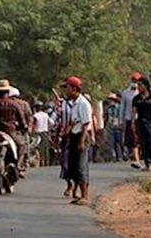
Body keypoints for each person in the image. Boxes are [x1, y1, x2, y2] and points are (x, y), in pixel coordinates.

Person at [64, 76, 91, 205]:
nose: (66, 91)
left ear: (74, 89)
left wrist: (82, 141)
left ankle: (85, 195)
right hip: (75, 135)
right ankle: (78, 192)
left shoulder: (83, 103)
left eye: (68, 88)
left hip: (82, 136)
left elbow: (86, 124)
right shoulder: (74, 104)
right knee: (73, 166)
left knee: (81, 166)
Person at [132, 78, 151, 171]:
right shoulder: (136, 99)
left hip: (150, 122)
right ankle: (147, 164)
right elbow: (133, 112)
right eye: (138, 85)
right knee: (144, 143)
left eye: (140, 85)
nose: (138, 87)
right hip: (140, 122)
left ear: (145, 86)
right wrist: (133, 124)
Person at [119, 72, 142, 168]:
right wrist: (121, 121)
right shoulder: (125, 93)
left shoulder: (142, 93)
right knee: (133, 140)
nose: (135, 82)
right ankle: (137, 160)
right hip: (129, 119)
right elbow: (122, 108)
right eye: (134, 80)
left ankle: (145, 158)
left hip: (141, 119)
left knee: (142, 139)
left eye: (137, 81)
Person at [9, 86, 32, 177]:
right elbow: (29, 117)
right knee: (23, 147)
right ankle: (20, 166)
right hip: (19, 131)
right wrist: (27, 127)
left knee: (25, 146)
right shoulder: (23, 104)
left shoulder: (8, 103)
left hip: (15, 130)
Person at [104, 93, 124, 161]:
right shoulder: (107, 108)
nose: (109, 101)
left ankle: (121, 155)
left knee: (119, 142)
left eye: (110, 99)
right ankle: (114, 155)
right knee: (111, 141)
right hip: (110, 125)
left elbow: (121, 116)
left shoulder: (119, 107)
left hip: (118, 125)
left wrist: (121, 124)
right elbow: (106, 117)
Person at [31, 103, 51, 167]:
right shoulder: (46, 115)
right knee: (46, 149)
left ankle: (41, 163)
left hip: (38, 133)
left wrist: (32, 133)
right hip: (45, 132)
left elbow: (34, 125)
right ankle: (46, 163)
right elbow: (48, 124)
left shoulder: (35, 115)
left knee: (40, 149)